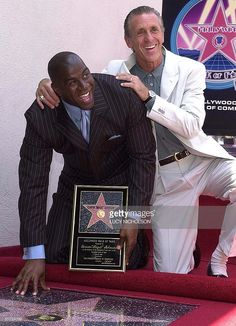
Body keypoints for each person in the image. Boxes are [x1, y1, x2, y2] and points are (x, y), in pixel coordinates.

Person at [35, 6, 236, 277]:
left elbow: (191, 125)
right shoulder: (115, 71)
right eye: (139, 33)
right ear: (128, 41)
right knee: (171, 275)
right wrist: (47, 83)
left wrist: (148, 97)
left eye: (154, 30)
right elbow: (77, 83)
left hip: (199, 161)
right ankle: (186, 247)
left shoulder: (191, 69)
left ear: (163, 33)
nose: (148, 38)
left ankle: (220, 258)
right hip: (164, 179)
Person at [12, 51, 156, 296]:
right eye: (71, 82)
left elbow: (143, 158)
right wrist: (34, 254)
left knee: (126, 258)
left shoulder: (122, 96)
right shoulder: (41, 115)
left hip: (119, 187)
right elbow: (33, 183)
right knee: (54, 254)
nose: (84, 86)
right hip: (75, 187)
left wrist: (133, 216)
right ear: (55, 88)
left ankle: (147, 240)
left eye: (86, 75)